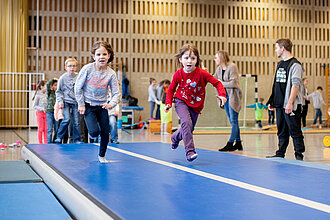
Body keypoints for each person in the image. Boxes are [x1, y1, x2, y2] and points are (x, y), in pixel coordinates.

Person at [165, 43, 227, 162]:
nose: (189, 61)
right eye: (186, 58)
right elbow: (171, 89)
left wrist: (222, 95)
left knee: (188, 128)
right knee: (186, 123)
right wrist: (168, 102)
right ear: (180, 59)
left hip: (196, 105)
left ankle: (175, 137)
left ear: (197, 60)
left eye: (193, 58)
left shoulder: (202, 73)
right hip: (181, 101)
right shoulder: (178, 74)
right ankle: (190, 152)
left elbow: (217, 83)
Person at [75, 41, 120, 163]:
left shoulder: (111, 74)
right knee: (94, 133)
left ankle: (102, 155)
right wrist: (81, 104)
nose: (102, 57)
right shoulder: (87, 69)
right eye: (98, 54)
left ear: (109, 55)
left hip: (102, 106)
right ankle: (92, 131)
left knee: (106, 131)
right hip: (88, 105)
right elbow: (78, 87)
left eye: (104, 54)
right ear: (93, 56)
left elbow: (116, 93)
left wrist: (111, 104)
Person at [266, 38, 305, 160]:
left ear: (283, 48)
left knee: (295, 131)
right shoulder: (279, 64)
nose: (275, 50)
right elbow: (276, 84)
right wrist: (272, 101)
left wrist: (290, 102)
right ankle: (280, 153)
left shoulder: (295, 65)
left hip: (290, 105)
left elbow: (295, 85)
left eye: (277, 48)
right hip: (279, 104)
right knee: (281, 131)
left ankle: (299, 155)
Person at [214, 51, 243, 151]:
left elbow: (234, 83)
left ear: (221, 58)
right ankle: (238, 142)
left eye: (216, 57)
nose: (215, 59)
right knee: (232, 121)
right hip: (224, 97)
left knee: (234, 120)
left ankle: (230, 143)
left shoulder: (232, 67)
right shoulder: (218, 69)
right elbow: (213, 80)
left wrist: (221, 83)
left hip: (233, 97)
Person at [54, 58, 82, 144]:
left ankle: (77, 139)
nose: (72, 68)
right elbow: (58, 91)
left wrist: (81, 102)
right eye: (70, 66)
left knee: (77, 122)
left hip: (75, 103)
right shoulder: (62, 78)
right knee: (66, 119)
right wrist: (60, 102)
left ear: (76, 67)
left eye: (74, 66)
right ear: (66, 67)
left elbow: (82, 89)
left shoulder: (79, 77)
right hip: (66, 102)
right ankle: (59, 137)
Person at [46, 78, 58, 143]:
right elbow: (48, 84)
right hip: (50, 112)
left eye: (57, 85)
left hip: (56, 113)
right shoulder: (50, 93)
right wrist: (53, 79)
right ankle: (49, 142)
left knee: (56, 129)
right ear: (52, 86)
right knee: (50, 129)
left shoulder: (59, 93)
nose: (56, 87)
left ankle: (55, 141)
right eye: (55, 85)